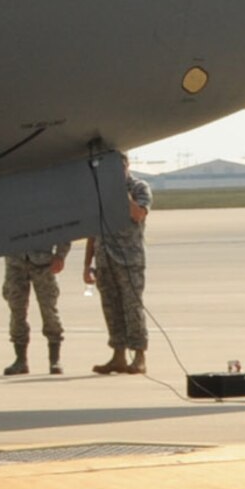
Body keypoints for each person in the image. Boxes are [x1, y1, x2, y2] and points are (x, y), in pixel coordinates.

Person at [84, 155, 152, 375]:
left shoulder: (139, 187)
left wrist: (120, 191)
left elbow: (138, 214)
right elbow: (93, 231)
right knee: (111, 309)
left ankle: (139, 356)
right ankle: (118, 356)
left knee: (132, 308)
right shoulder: (99, 192)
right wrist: (87, 264)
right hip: (105, 260)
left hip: (129, 261)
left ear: (126, 166)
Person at [1, 242, 72, 375]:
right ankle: (20, 360)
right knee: (17, 311)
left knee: (49, 311)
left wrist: (60, 255)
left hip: (43, 262)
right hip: (15, 262)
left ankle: (54, 360)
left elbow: (63, 229)